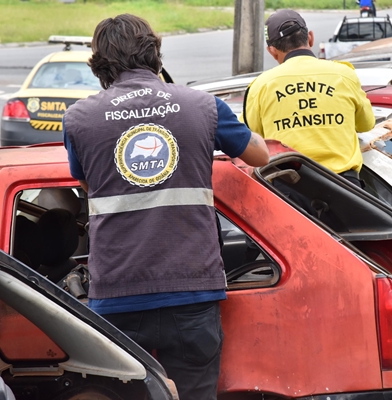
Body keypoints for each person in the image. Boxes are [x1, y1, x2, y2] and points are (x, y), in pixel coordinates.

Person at [62, 14, 269, 399]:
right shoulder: (202, 105)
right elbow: (260, 155)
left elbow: (89, 184)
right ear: (155, 55)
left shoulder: (79, 119)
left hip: (117, 293)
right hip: (192, 290)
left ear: (99, 65)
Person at [241, 9, 375, 187]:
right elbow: (366, 124)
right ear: (310, 37)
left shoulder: (260, 86)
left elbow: (251, 139)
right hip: (346, 190)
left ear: (272, 51)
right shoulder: (344, 74)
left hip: (288, 191)